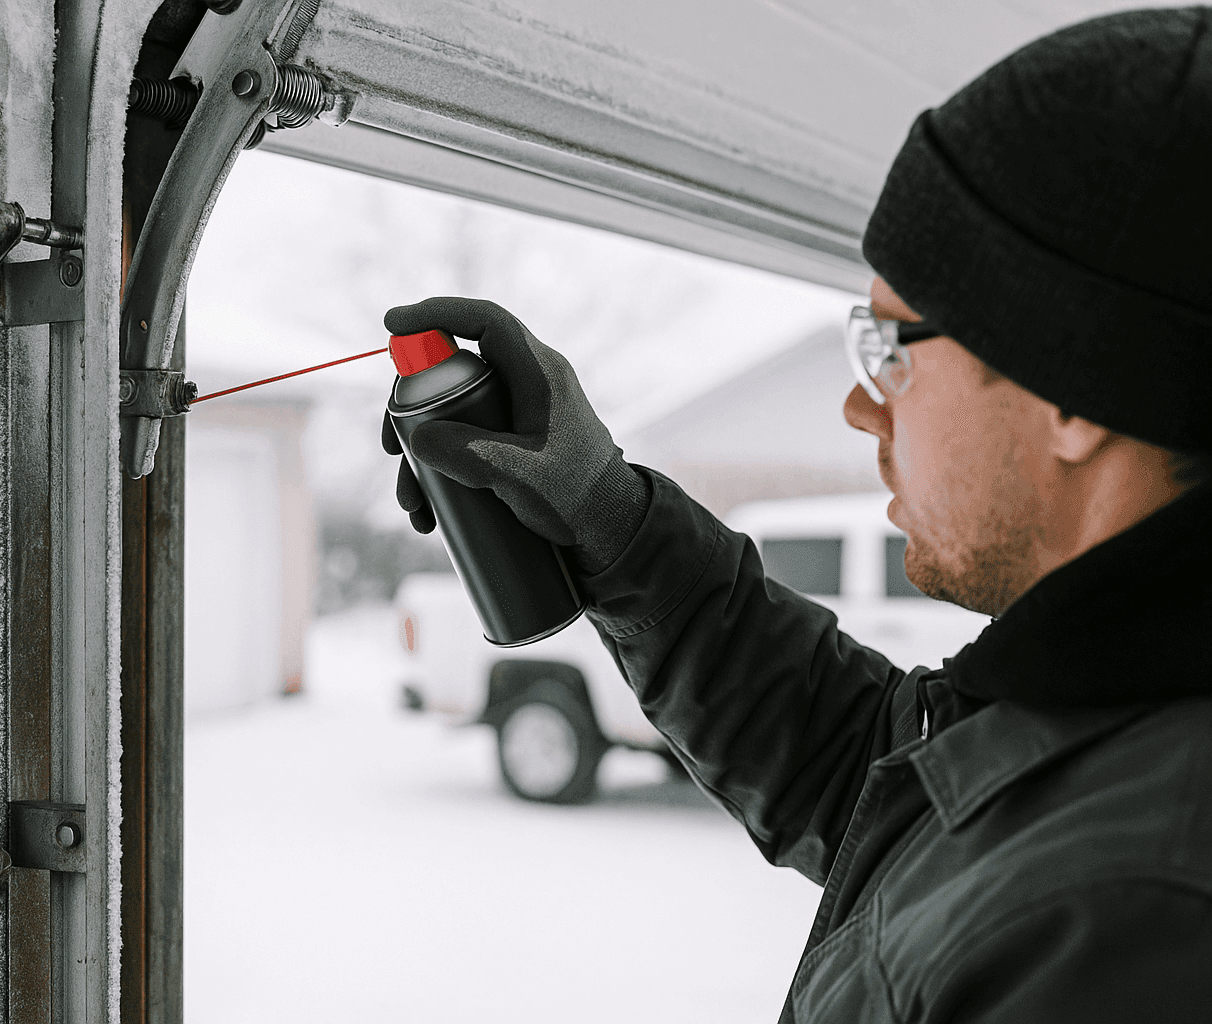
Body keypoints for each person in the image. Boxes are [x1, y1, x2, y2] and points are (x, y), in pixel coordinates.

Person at [380, 8, 1212, 1021]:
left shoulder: (1129, 919)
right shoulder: (1106, 703)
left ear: (1071, 386)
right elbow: (870, 768)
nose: (863, 406)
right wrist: (608, 513)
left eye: (893, 350)